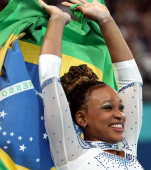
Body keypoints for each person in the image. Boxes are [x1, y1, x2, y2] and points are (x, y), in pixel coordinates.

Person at [37, 0, 143, 169]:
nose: (120, 115)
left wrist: (106, 19)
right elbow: (49, 79)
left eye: (121, 108)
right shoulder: (72, 153)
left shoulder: (128, 148)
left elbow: (132, 82)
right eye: (108, 107)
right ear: (82, 118)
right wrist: (57, 19)